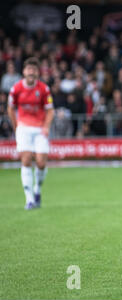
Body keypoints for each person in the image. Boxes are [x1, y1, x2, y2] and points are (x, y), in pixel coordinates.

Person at [7, 57, 55, 210]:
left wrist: (46, 126)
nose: (31, 72)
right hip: (24, 128)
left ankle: (37, 190)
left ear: (37, 72)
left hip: (40, 128)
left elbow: (50, 110)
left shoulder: (43, 89)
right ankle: (29, 200)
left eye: (34, 70)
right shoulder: (16, 89)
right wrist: (16, 126)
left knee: (41, 163)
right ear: (24, 72)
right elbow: (10, 108)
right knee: (26, 160)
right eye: (29, 69)